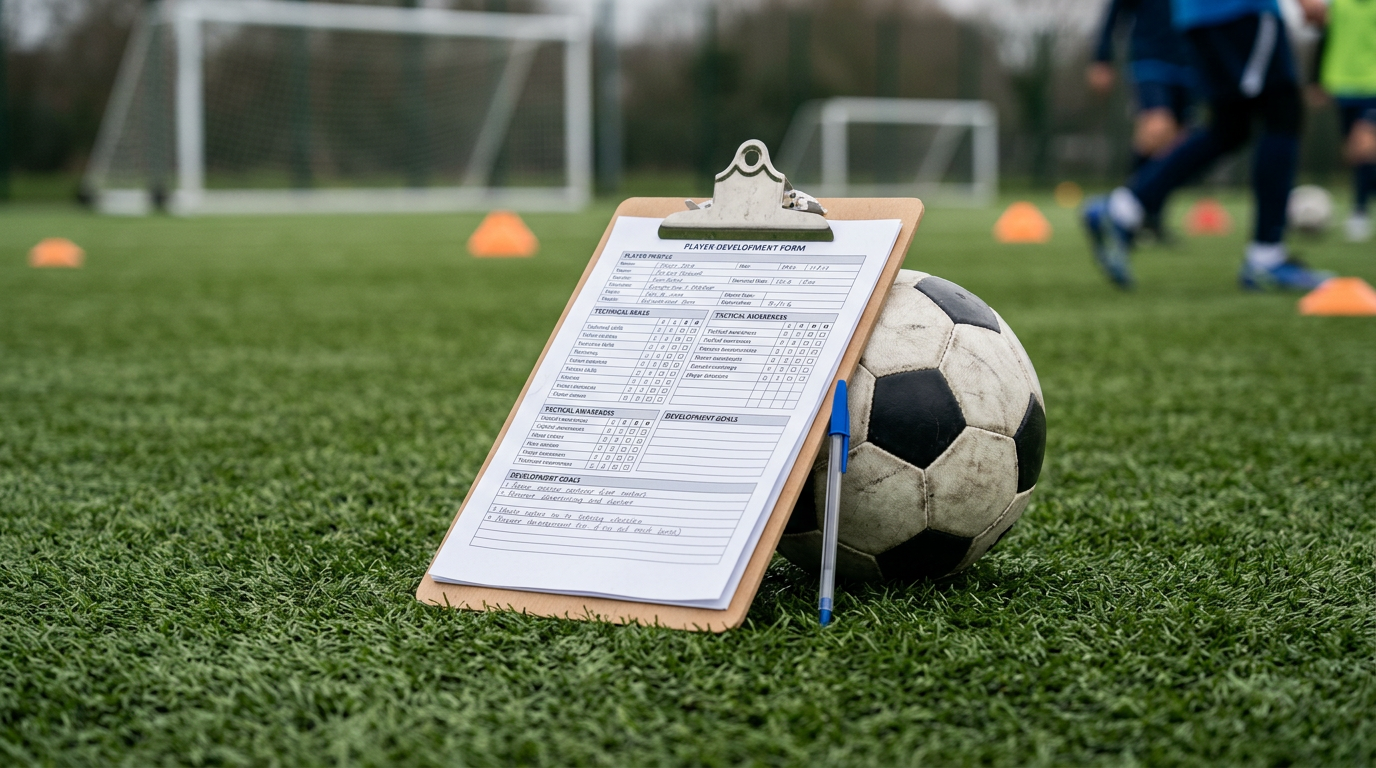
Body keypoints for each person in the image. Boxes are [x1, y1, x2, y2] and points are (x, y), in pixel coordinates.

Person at [1083, 0, 1333, 291]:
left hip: (1197, 16)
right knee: (1282, 112)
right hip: (1238, 11)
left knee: (1229, 128)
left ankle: (1123, 209)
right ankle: (1267, 257)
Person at [1088, 0, 1197, 240]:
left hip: (1189, 61)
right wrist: (1101, 57)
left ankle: (1152, 218)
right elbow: (1115, 11)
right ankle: (1125, 211)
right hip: (1149, 57)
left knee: (1177, 143)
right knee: (1158, 127)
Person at [1307, 0, 1376, 242]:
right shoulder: (1338, 6)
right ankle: (1361, 209)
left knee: (1363, 146)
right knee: (1355, 153)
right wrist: (1316, 81)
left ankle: (1359, 212)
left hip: (1373, 86)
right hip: (1343, 87)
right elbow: (1325, 40)